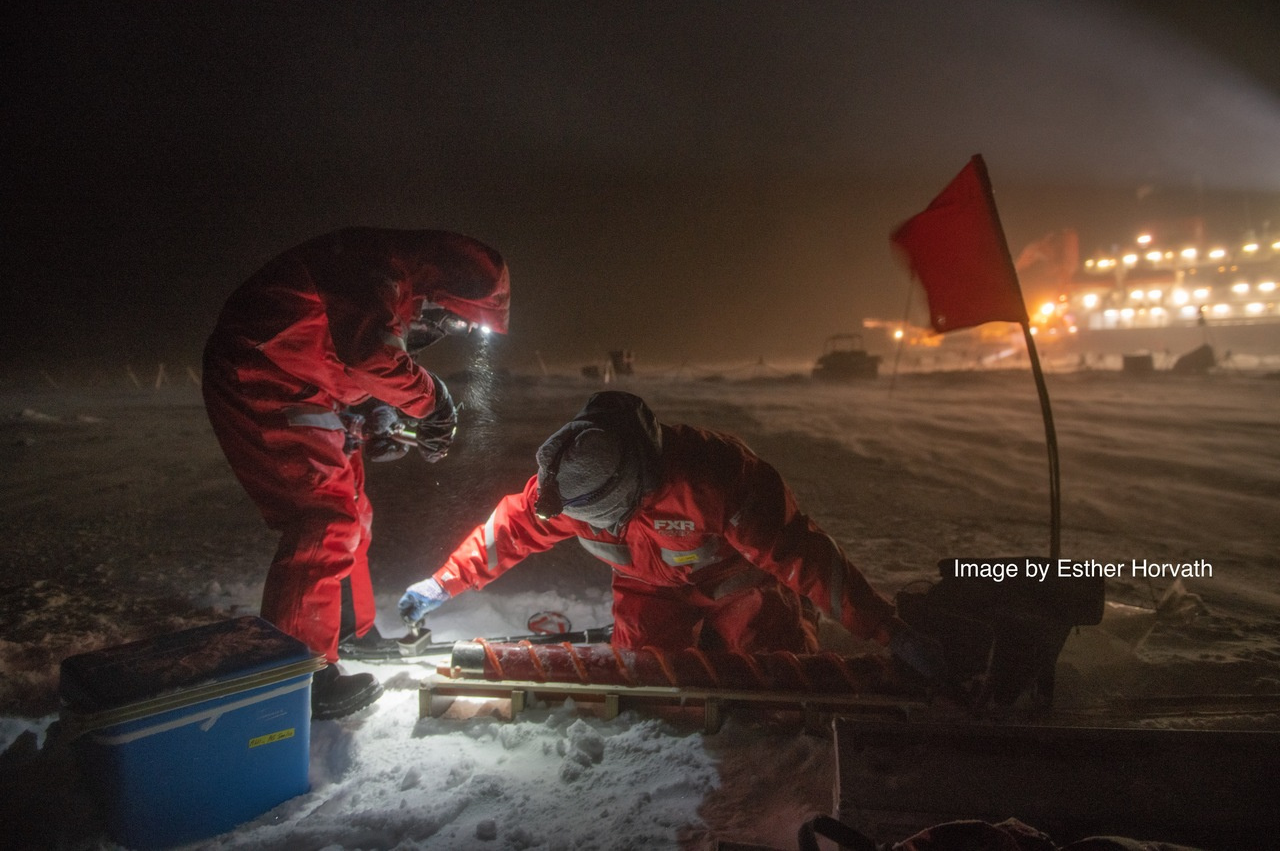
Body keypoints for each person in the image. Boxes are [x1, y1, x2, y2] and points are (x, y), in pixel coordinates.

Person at [399, 391, 940, 675]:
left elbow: (803, 555)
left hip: (737, 587)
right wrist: (442, 584)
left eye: (605, 517)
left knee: (777, 679)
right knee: (651, 684)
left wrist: (887, 630)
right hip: (649, 592)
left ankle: (761, 632)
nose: (595, 527)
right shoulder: (570, 491)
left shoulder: (715, 476)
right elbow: (510, 530)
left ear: (634, 486)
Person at [203, 227, 509, 720]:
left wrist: (369, 411)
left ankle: (348, 631)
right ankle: (297, 677)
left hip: (305, 384)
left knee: (354, 513)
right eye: (455, 320)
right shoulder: (377, 268)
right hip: (261, 376)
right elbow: (368, 353)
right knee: (324, 518)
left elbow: (341, 353)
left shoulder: (392, 280)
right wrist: (433, 401)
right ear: (441, 289)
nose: (446, 330)